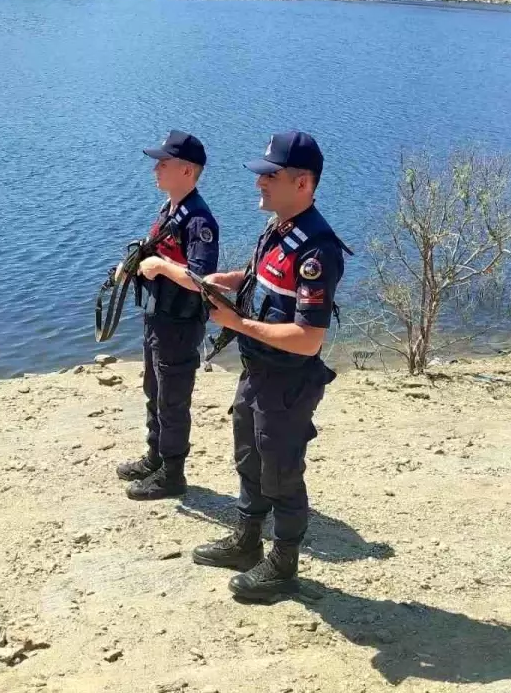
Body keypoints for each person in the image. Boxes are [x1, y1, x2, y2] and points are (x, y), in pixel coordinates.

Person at [191, 131, 347, 601]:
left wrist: (238, 323)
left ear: (302, 184)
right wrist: (231, 279)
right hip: (257, 373)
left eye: (269, 176)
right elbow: (265, 278)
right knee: (249, 457)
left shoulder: (318, 251)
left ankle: (283, 567)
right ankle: (246, 541)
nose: (259, 182)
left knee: (281, 471)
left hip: (288, 381)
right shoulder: (280, 228)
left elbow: (307, 338)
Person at [118, 130, 220, 501]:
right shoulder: (170, 210)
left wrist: (160, 266)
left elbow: (202, 281)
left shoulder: (199, 221)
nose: (156, 169)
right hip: (157, 317)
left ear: (188, 171)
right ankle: (155, 456)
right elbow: (152, 252)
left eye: (164, 163)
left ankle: (173, 474)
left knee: (172, 399)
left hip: (179, 324)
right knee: (153, 390)